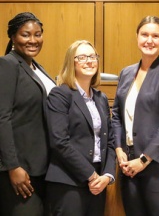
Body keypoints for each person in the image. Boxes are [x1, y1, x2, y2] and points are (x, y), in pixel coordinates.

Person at [112, 15, 159, 216]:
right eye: (144, 34)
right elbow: (117, 114)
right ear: (137, 37)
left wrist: (143, 160)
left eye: (156, 36)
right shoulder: (126, 73)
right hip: (128, 166)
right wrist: (118, 149)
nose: (149, 40)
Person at [0, 12, 55, 216]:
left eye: (38, 34)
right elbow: (0, 118)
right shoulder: (6, 65)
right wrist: (12, 167)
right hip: (20, 171)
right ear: (13, 37)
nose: (33, 40)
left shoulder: (36, 67)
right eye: (26, 35)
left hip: (42, 168)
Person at [44, 40, 116, 215]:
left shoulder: (101, 98)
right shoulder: (60, 94)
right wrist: (90, 175)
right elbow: (59, 142)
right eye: (82, 57)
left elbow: (111, 141)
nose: (89, 61)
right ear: (71, 62)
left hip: (98, 182)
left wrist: (107, 176)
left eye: (93, 57)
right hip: (68, 181)